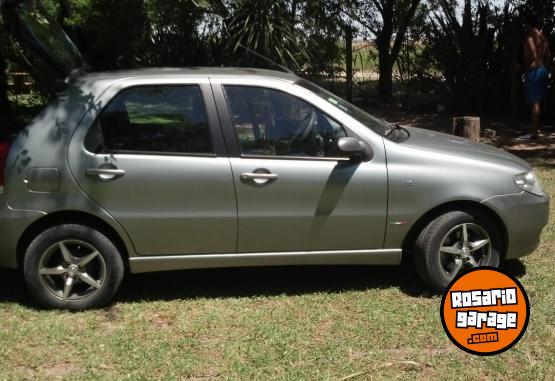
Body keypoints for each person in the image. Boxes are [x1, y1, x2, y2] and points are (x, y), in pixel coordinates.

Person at [520, 15, 551, 140]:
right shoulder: (544, 38)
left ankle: (533, 133)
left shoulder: (530, 38)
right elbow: (548, 56)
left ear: (529, 25)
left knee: (534, 103)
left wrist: (522, 67)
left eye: (525, 25)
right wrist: (545, 69)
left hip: (533, 71)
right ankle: (535, 128)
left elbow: (531, 55)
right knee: (538, 102)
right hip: (543, 70)